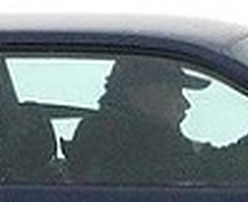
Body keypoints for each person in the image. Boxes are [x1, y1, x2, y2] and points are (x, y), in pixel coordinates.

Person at [65, 56, 209, 184]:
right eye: (174, 91)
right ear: (140, 93)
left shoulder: (97, 130)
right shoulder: (139, 140)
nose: (185, 104)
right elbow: (200, 167)